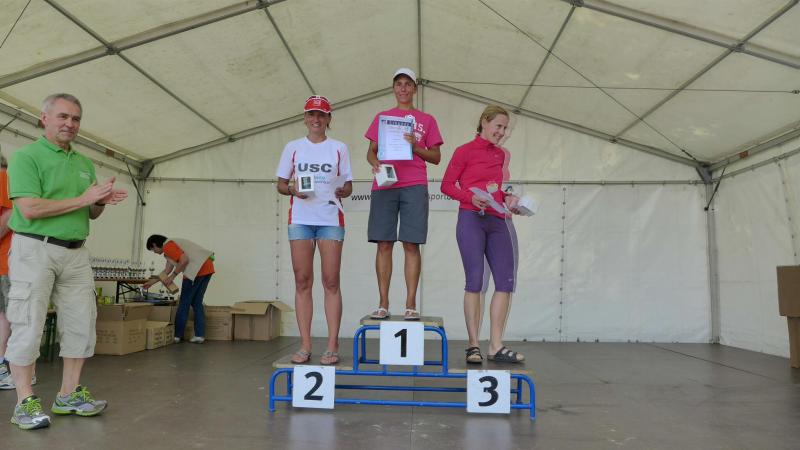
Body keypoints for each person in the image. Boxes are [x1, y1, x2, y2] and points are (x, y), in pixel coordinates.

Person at [6, 93, 127, 430]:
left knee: (81, 324)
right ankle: (24, 402)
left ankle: (68, 395)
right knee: (28, 323)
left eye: (75, 119)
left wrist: (100, 201)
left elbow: (91, 213)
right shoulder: (27, 157)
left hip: (76, 252)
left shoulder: (84, 163)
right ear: (44, 118)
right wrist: (85, 197)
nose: (70, 124)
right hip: (35, 249)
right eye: (62, 116)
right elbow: (29, 208)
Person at [441, 105, 526, 364]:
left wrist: (509, 199)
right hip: (471, 219)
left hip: (498, 219)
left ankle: (496, 345)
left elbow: (498, 188)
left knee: (505, 282)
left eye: (505, 128)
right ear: (484, 123)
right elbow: (447, 185)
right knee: (475, 282)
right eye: (498, 126)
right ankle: (473, 345)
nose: (502, 132)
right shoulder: (464, 151)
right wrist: (470, 197)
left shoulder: (502, 155)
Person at [276, 95, 353, 365]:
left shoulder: (339, 148)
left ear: (329, 118)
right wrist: (292, 189)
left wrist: (344, 190)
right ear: (305, 118)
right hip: (300, 218)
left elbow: (348, 185)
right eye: (311, 114)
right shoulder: (293, 147)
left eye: (321, 115)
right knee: (302, 280)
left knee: (331, 281)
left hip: (330, 218)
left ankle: (332, 345)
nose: (316, 119)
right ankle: (305, 344)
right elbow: (281, 184)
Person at [365, 68, 443, 321]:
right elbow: (371, 151)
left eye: (408, 84)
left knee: (411, 243)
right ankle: (383, 303)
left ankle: (410, 304)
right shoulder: (382, 117)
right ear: (393, 88)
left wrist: (415, 147)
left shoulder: (427, 120)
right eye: (398, 84)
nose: (403, 88)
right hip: (385, 183)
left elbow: (436, 157)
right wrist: (375, 163)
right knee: (384, 243)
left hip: (414, 184)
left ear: (415, 89)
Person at [143, 235, 214, 344]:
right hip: (207, 267)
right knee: (197, 302)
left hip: (196, 270)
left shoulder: (168, 246)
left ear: (154, 244)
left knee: (184, 303)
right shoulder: (169, 249)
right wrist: (151, 282)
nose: (154, 252)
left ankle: (177, 336)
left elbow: (184, 260)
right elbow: (166, 271)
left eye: (153, 250)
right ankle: (199, 335)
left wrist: (173, 276)